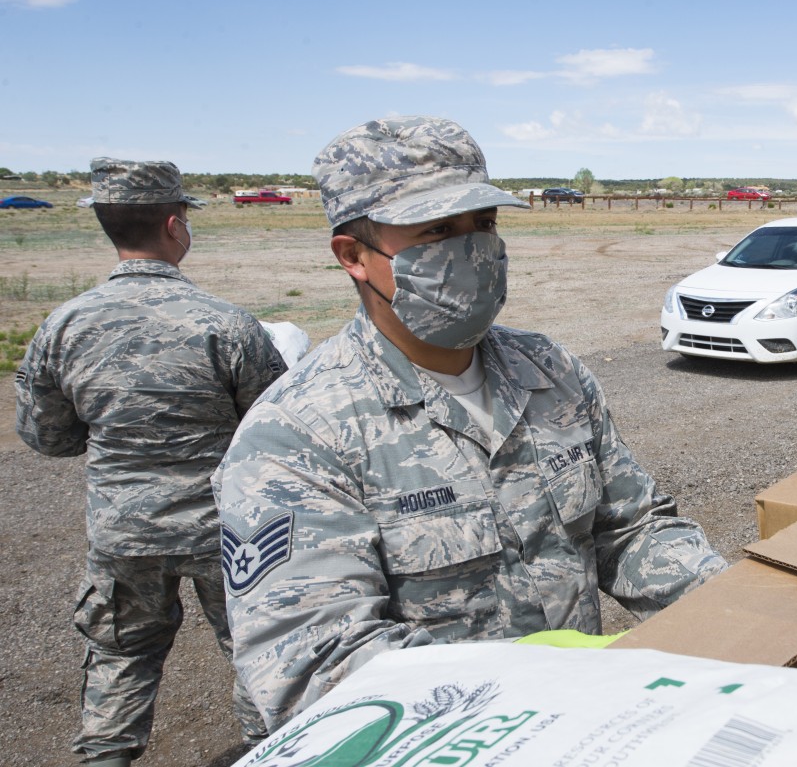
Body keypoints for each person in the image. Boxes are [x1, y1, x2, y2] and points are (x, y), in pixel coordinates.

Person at [213, 116, 728, 731]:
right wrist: (533, 693)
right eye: (438, 232)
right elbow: (320, 667)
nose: (473, 251)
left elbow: (632, 530)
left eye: (483, 225)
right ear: (354, 256)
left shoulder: (551, 371)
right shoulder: (299, 434)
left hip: (583, 729)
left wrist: (739, 617)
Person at [14, 158, 285, 766]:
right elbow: (278, 432)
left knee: (120, 655)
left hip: (122, 531)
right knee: (255, 650)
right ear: (173, 224)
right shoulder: (229, 325)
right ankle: (274, 753)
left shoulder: (62, 327)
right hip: (227, 532)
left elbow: (48, 439)